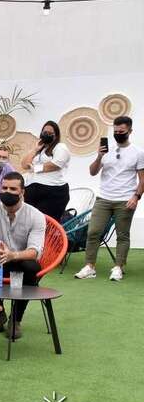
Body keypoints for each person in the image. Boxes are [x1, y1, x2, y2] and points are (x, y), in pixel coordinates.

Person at [75, 116, 144, 281]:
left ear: (130, 131)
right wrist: (99, 156)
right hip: (104, 198)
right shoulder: (107, 150)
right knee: (93, 232)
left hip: (125, 199)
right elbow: (92, 172)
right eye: (115, 131)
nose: (118, 134)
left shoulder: (138, 152)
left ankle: (118, 267)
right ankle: (89, 267)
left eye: (122, 131)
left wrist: (136, 197)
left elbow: (142, 178)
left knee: (122, 235)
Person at [0, 171, 45, 340]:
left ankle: (16, 319)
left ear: (22, 192)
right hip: (0, 260)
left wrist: (13, 255)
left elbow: (34, 252)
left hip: (22, 260)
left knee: (32, 267)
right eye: (4, 188)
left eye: (13, 189)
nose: (7, 192)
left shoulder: (36, 216)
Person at [20, 121, 71, 221]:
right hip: (32, 191)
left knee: (44, 223)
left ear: (56, 136)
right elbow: (24, 165)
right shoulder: (40, 150)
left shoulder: (60, 147)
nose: (46, 135)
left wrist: (36, 168)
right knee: (28, 222)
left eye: (50, 133)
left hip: (52, 192)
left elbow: (56, 164)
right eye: (44, 132)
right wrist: (35, 150)